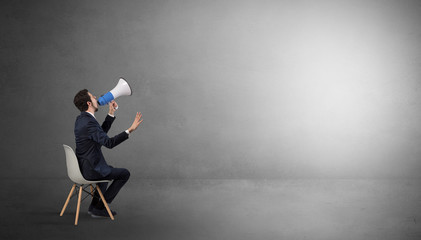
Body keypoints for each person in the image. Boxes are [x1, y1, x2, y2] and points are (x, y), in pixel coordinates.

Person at [73, 89, 143, 218]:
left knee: (106, 172)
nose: (96, 97)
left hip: (84, 167)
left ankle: (94, 208)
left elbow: (100, 137)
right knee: (124, 174)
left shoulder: (82, 119)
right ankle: (100, 207)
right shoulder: (89, 122)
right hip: (91, 169)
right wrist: (130, 130)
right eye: (93, 97)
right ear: (89, 103)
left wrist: (111, 113)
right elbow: (109, 143)